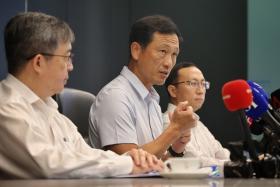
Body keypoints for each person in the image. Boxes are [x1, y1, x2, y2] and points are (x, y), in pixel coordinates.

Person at [0, 12, 163, 179]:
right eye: (66, 57)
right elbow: (51, 164)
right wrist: (127, 164)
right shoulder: (7, 108)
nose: (70, 66)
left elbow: (87, 155)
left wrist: (131, 158)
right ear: (39, 62)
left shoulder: (52, 112)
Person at [89, 15, 197, 159]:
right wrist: (174, 129)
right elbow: (130, 162)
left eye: (174, 54)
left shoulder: (152, 99)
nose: (169, 63)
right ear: (136, 50)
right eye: (163, 51)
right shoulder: (115, 96)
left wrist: (176, 148)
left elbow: (154, 163)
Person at [163, 62, 230, 167]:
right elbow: (193, 160)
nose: (200, 91)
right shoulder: (168, 122)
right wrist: (231, 164)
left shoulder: (199, 124)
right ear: (173, 91)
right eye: (193, 83)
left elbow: (221, 152)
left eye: (203, 84)